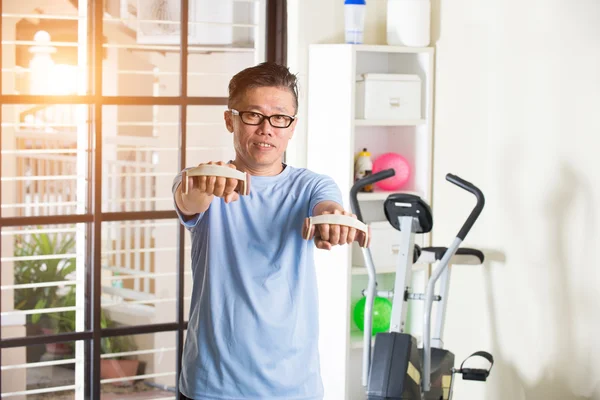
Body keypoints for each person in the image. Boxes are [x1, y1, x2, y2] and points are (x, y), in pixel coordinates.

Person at [172, 62, 366, 400]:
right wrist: (206, 182)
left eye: (280, 118)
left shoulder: (311, 185)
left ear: (292, 128)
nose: (267, 129)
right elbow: (190, 198)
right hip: (212, 387)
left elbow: (326, 207)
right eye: (253, 116)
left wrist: (333, 220)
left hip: (293, 388)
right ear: (230, 119)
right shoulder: (202, 178)